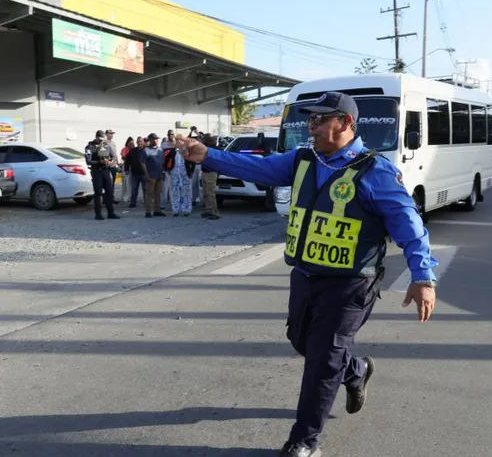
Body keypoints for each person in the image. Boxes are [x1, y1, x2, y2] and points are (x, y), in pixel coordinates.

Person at [175, 92, 438, 457]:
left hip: (350, 282)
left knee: (323, 360)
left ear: (345, 123)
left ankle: (305, 440)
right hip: (305, 274)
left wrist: (422, 277)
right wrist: (208, 155)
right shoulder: (303, 160)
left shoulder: (374, 171)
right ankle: (355, 370)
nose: (310, 128)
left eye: (319, 120)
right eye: (309, 120)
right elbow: (258, 168)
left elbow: (410, 226)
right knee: (302, 341)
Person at [84, 130, 120, 221]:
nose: (101, 141)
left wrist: (110, 161)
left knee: (109, 192)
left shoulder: (106, 145)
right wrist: (100, 162)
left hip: (106, 171)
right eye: (99, 139)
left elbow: (113, 156)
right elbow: (88, 161)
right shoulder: (90, 147)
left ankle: (110, 213)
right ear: (96, 137)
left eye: (102, 139)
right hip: (97, 172)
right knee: (98, 193)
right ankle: (98, 214)